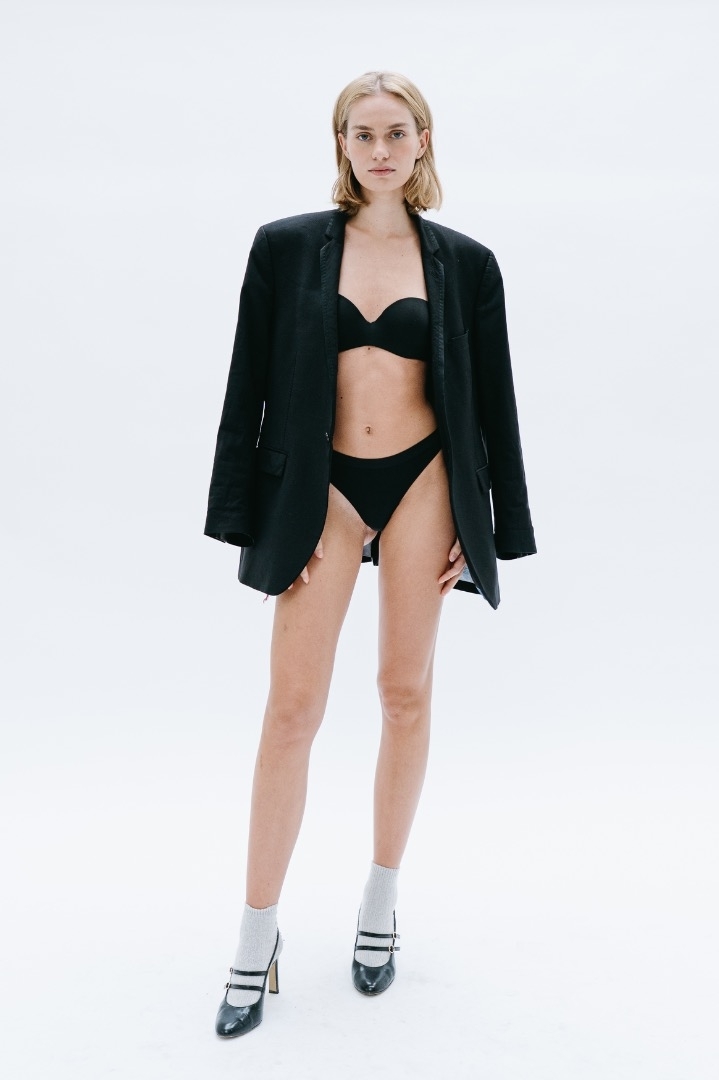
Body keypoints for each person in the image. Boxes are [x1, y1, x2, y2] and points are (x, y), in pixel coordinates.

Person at [204, 71, 536, 1038]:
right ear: (341, 144)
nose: (380, 149)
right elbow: (246, 385)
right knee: (291, 710)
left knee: (403, 694)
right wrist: (252, 521)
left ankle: (380, 900)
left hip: (426, 480)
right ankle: (256, 933)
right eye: (362, 133)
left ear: (423, 141)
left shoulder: (466, 263)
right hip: (322, 490)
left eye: (396, 132)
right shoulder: (285, 248)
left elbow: (495, 402)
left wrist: (490, 528)